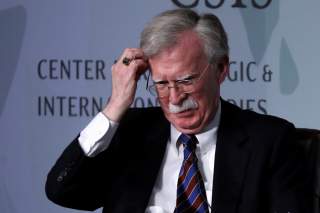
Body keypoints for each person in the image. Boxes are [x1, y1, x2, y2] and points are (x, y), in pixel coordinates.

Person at [45, 9, 309, 213]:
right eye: (161, 83)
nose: (174, 98)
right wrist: (114, 108)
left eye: (186, 81)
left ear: (220, 69)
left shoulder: (270, 141)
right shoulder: (131, 132)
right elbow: (62, 191)